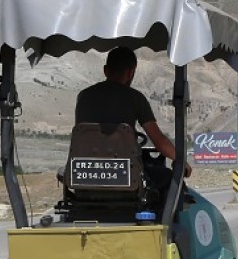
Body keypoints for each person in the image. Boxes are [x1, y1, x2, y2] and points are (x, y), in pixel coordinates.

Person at [75, 46, 191, 179]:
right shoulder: (136, 98)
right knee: (167, 178)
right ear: (131, 72)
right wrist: (182, 162)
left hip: (85, 175)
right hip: (125, 177)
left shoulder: (83, 96)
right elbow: (160, 142)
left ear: (105, 70)